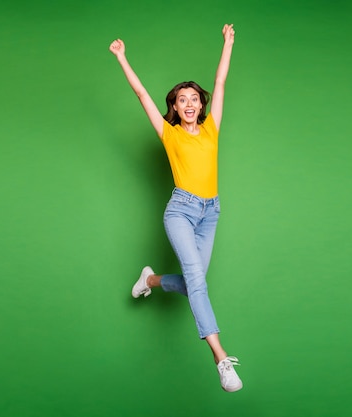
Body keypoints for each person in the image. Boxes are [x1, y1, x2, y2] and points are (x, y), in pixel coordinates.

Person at [109, 24, 242, 392]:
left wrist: (227, 43)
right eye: (181, 100)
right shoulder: (170, 134)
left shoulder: (212, 127)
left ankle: (149, 280)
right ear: (175, 107)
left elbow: (221, 80)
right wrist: (122, 57)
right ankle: (221, 358)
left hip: (210, 213)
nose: (188, 104)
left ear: (200, 103)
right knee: (198, 282)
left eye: (193, 98)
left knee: (192, 283)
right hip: (180, 211)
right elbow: (140, 94)